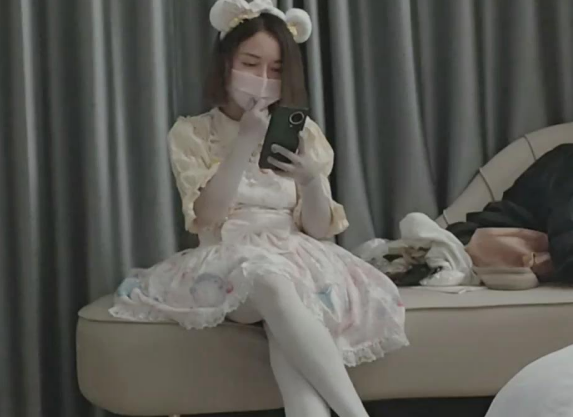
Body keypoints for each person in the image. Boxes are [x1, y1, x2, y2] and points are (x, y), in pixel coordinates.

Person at [110, 1, 408, 416]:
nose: (264, 79)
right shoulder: (193, 133)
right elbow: (207, 216)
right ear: (226, 63)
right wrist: (245, 142)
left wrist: (311, 181)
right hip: (228, 260)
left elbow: (319, 228)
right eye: (251, 64)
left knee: (288, 337)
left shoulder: (306, 134)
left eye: (276, 69)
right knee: (270, 282)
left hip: (299, 258)